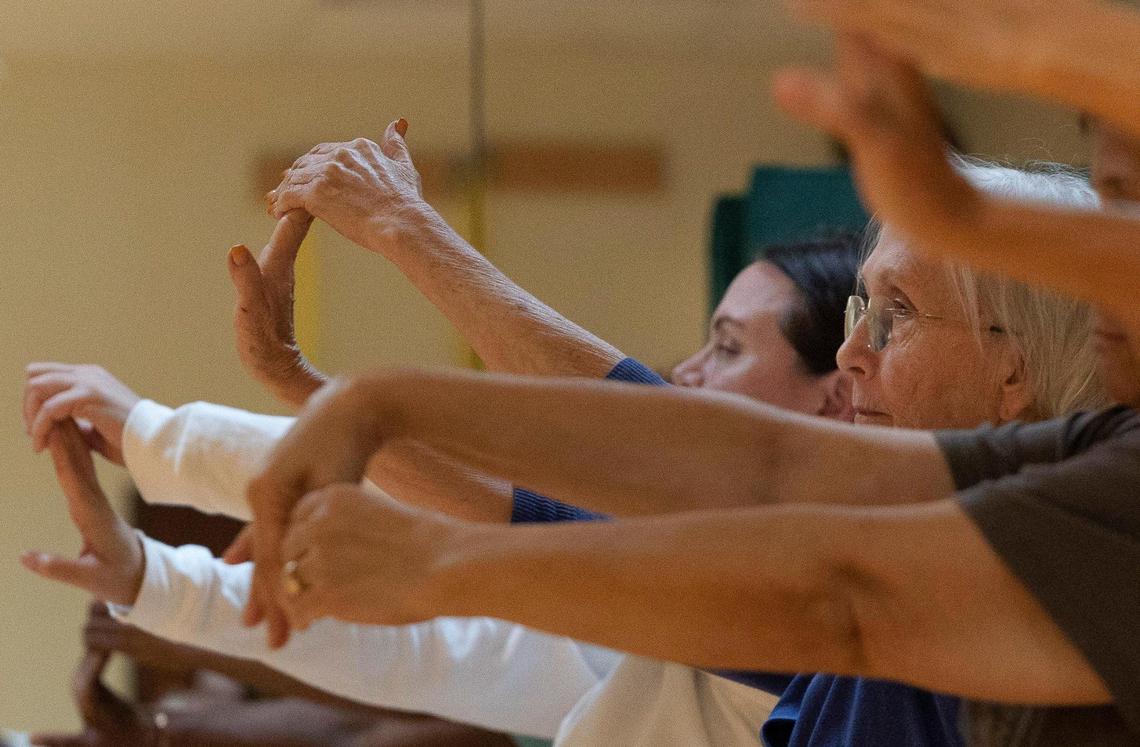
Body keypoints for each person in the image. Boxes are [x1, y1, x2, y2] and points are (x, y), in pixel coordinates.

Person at [197, 44, 1139, 744]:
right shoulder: (988, 488)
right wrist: (339, 395)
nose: (857, 350)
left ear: (1017, 369)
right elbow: (746, 474)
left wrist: (401, 286)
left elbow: (796, 552)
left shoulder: (1065, 513)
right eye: (862, 306)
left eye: (896, 313)